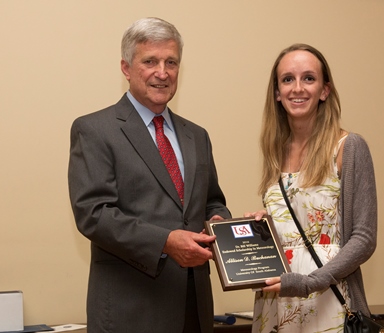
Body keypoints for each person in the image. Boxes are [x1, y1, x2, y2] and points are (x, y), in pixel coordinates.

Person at [68, 17, 231, 333]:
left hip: (194, 310)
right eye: (150, 61)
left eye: (171, 62)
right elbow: (93, 214)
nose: (163, 72)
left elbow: (212, 202)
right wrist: (166, 241)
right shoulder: (94, 130)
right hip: (131, 311)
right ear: (126, 68)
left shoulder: (197, 135)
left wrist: (221, 224)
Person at [245, 43, 377, 332]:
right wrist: (266, 228)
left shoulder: (349, 147)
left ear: (325, 90)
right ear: (277, 93)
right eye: (288, 79)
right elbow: (295, 226)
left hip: (327, 298)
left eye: (309, 78)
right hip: (277, 301)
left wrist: (308, 282)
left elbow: (364, 239)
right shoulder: (274, 152)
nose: (298, 88)